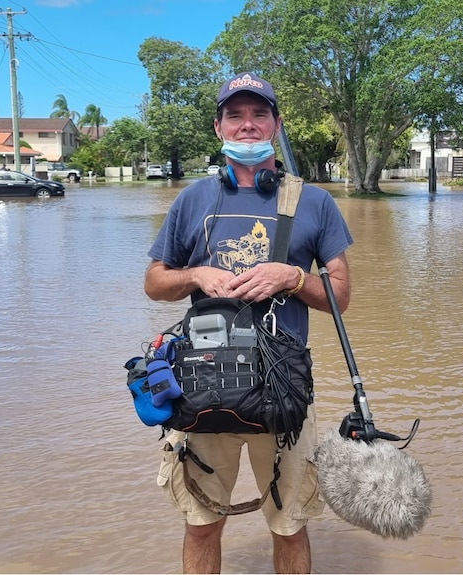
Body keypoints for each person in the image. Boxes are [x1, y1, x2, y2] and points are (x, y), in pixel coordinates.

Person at [143, 71, 353, 574]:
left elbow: (341, 297)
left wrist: (294, 278)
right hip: (204, 386)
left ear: (277, 125)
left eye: (259, 114)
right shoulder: (192, 199)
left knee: (290, 523)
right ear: (218, 128)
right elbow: (154, 283)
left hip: (283, 391)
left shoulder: (315, 202)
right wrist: (195, 274)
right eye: (235, 115)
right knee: (201, 521)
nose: (247, 125)